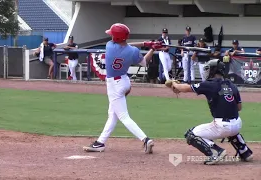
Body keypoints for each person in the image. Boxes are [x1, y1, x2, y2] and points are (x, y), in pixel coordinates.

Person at [83, 23, 162, 153]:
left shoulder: (110, 46)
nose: (111, 36)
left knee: (123, 116)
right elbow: (143, 62)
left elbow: (124, 43)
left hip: (114, 85)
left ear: (116, 38)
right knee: (112, 114)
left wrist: (145, 43)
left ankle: (146, 140)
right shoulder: (133, 51)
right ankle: (100, 143)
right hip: (125, 82)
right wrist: (151, 48)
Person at [166, 59, 253, 165]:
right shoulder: (231, 85)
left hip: (222, 126)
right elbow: (239, 107)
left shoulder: (209, 84)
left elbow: (186, 88)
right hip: (237, 124)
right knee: (231, 128)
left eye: (208, 69)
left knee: (190, 134)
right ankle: (245, 152)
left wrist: (174, 84)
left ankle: (215, 152)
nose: (206, 72)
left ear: (213, 70)